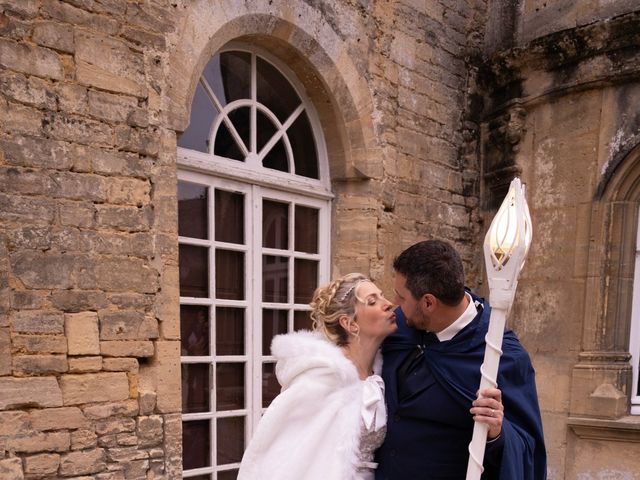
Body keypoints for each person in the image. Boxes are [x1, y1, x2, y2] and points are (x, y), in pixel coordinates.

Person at [375, 240, 546, 480]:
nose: (396, 306)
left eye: (401, 298)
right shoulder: (398, 328)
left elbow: (528, 449)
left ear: (428, 302)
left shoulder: (501, 355)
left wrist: (497, 432)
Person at [238, 273, 398, 480]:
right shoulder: (321, 379)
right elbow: (281, 456)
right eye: (372, 301)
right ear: (349, 324)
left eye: (383, 296)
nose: (389, 304)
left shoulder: (382, 372)